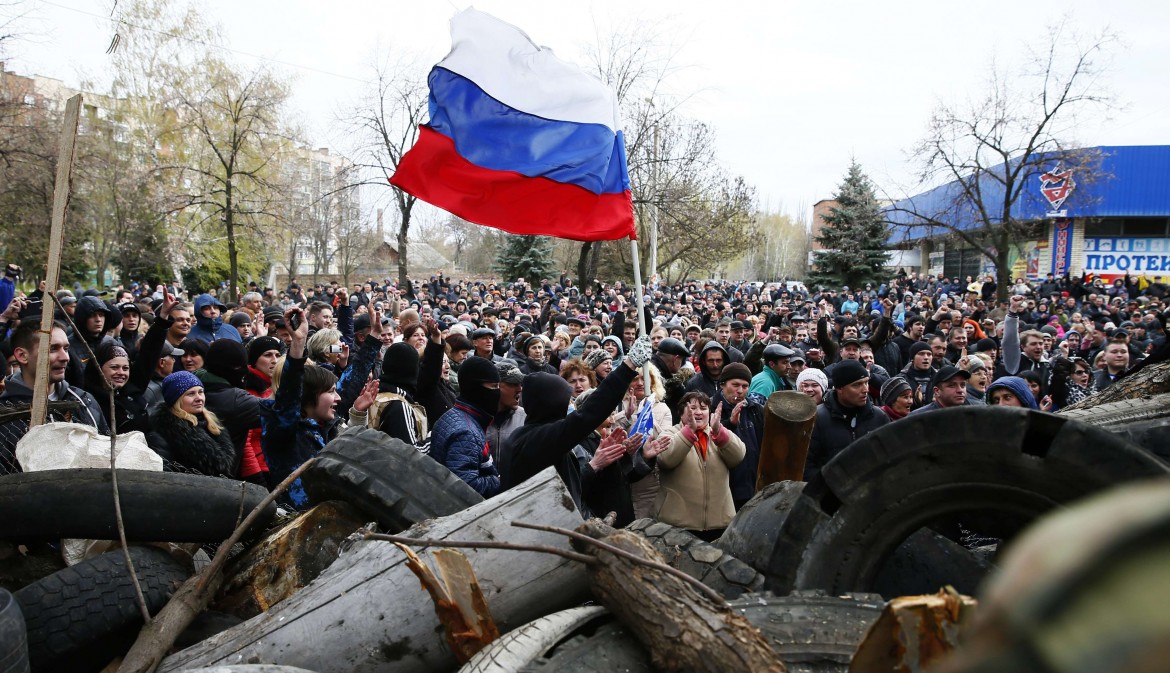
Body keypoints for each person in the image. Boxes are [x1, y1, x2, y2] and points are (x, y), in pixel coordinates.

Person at [500, 335, 655, 495]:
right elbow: (590, 412)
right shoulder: (540, 438)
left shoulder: (520, 437)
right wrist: (629, 366)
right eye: (565, 401)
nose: (570, 406)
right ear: (551, 405)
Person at [260, 307, 349, 509]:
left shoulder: (323, 426)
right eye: (331, 391)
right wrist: (298, 345)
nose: (339, 397)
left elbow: (349, 388)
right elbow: (289, 397)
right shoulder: (283, 430)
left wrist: (374, 339)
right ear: (309, 395)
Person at [1, 320, 108, 472]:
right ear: (22, 355)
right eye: (52, 349)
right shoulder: (5, 413)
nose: (65, 357)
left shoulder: (84, 400)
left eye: (66, 348)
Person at [654, 392, 746, 541]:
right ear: (681, 412)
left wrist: (719, 431)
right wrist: (688, 432)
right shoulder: (669, 433)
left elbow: (739, 456)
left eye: (703, 408)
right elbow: (666, 459)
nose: (698, 412)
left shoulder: (717, 433)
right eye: (692, 408)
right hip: (678, 525)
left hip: (719, 523)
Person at [429, 356, 503, 498]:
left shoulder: (454, 415)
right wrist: (499, 480)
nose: (497, 392)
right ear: (475, 388)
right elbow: (465, 485)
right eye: (493, 386)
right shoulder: (467, 432)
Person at [805, 359, 888, 481]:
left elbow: (889, 459)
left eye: (866, 383)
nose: (865, 390)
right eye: (857, 385)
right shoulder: (817, 419)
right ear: (840, 388)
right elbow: (806, 467)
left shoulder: (879, 417)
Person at [147, 370, 238, 478]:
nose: (199, 398)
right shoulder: (162, 434)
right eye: (191, 394)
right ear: (176, 400)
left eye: (201, 392)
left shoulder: (211, 425)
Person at [715, 363, 765, 510]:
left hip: (752, 483)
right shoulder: (712, 407)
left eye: (745, 386)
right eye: (735, 385)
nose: (740, 391)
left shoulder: (756, 409)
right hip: (726, 487)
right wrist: (729, 423)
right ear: (722, 385)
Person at [486, 360, 526, 462]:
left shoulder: (525, 418)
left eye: (520, 384)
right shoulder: (477, 418)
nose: (519, 389)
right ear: (495, 386)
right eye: (513, 384)